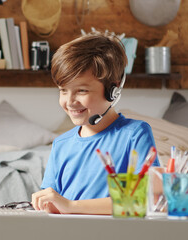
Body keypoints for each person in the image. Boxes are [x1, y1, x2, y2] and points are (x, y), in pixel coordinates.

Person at [31, 31, 160, 214]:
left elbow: (146, 199)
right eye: (63, 90)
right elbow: (53, 204)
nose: (69, 101)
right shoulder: (61, 144)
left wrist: (71, 206)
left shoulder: (134, 134)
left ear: (112, 90)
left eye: (81, 91)